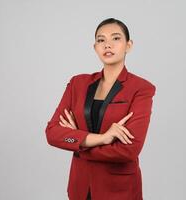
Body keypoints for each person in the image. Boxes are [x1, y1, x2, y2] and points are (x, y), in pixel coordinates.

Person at [45, 18, 156, 200]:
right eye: (101, 40)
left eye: (115, 38)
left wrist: (79, 142)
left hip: (119, 190)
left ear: (128, 45)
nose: (107, 45)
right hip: (80, 187)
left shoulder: (141, 88)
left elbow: (129, 150)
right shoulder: (77, 84)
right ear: (95, 47)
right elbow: (52, 132)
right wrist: (103, 138)